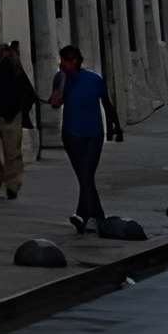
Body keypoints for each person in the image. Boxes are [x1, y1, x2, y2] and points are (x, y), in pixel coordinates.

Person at [49, 43, 120, 233]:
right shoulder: (61, 79)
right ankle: (95, 215)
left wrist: (116, 127)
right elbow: (55, 102)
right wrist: (62, 81)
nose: (63, 64)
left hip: (94, 135)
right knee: (84, 176)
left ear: (75, 61)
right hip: (72, 135)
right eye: (62, 60)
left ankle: (85, 215)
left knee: (86, 175)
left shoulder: (94, 80)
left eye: (66, 61)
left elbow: (107, 103)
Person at [0, 41, 33, 197]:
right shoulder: (8, 65)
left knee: (11, 152)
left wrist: (13, 111)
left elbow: (9, 91)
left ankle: (12, 184)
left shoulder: (8, 66)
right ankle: (11, 183)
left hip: (9, 115)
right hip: (8, 114)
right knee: (10, 152)